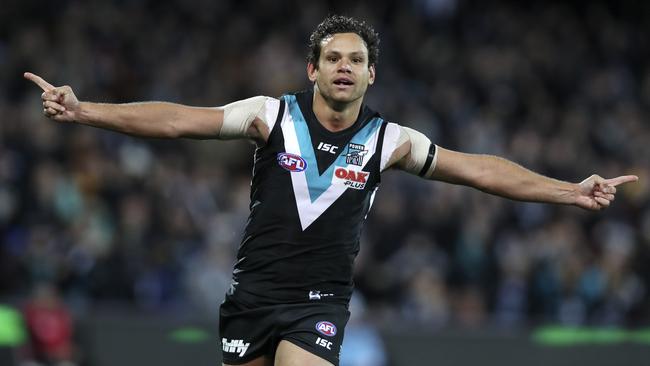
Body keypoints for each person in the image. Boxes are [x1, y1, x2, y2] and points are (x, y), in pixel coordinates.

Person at [25, 14, 638, 366]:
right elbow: (181, 119)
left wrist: (569, 192)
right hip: (250, 297)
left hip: (318, 305)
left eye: (356, 58)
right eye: (332, 56)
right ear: (312, 70)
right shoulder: (270, 114)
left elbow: (478, 170)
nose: (344, 65)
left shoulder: (388, 140)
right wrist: (87, 112)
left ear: (372, 74)